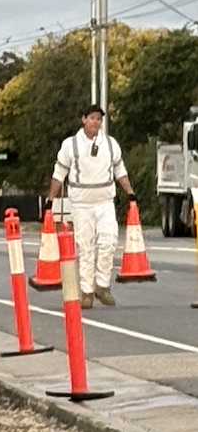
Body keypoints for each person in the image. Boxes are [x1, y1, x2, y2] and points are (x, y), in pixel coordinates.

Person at [47, 105, 136, 308]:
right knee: (85, 246)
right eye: (92, 118)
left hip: (105, 201)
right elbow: (59, 173)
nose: (95, 122)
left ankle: (102, 286)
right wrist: (50, 200)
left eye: (99, 119)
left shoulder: (110, 144)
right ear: (83, 119)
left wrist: (130, 192)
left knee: (109, 241)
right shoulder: (71, 145)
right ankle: (86, 291)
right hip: (81, 203)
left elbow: (119, 169)